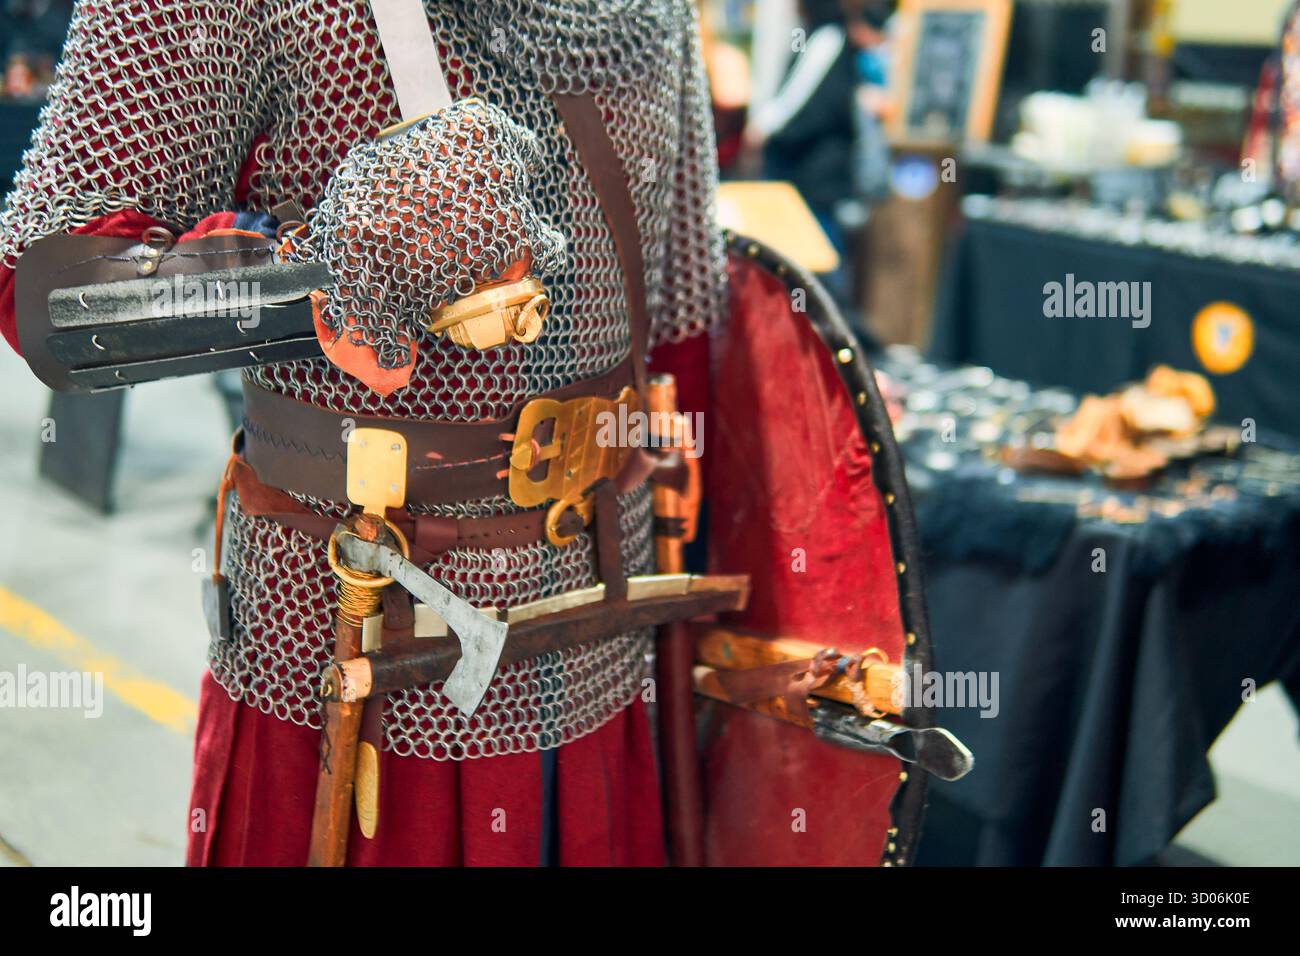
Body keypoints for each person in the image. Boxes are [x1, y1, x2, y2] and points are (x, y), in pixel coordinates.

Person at [0, 0, 724, 866]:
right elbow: (55, 304)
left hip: (602, 600)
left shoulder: (649, 13)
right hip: (350, 604)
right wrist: (325, 278)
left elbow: (682, 327)